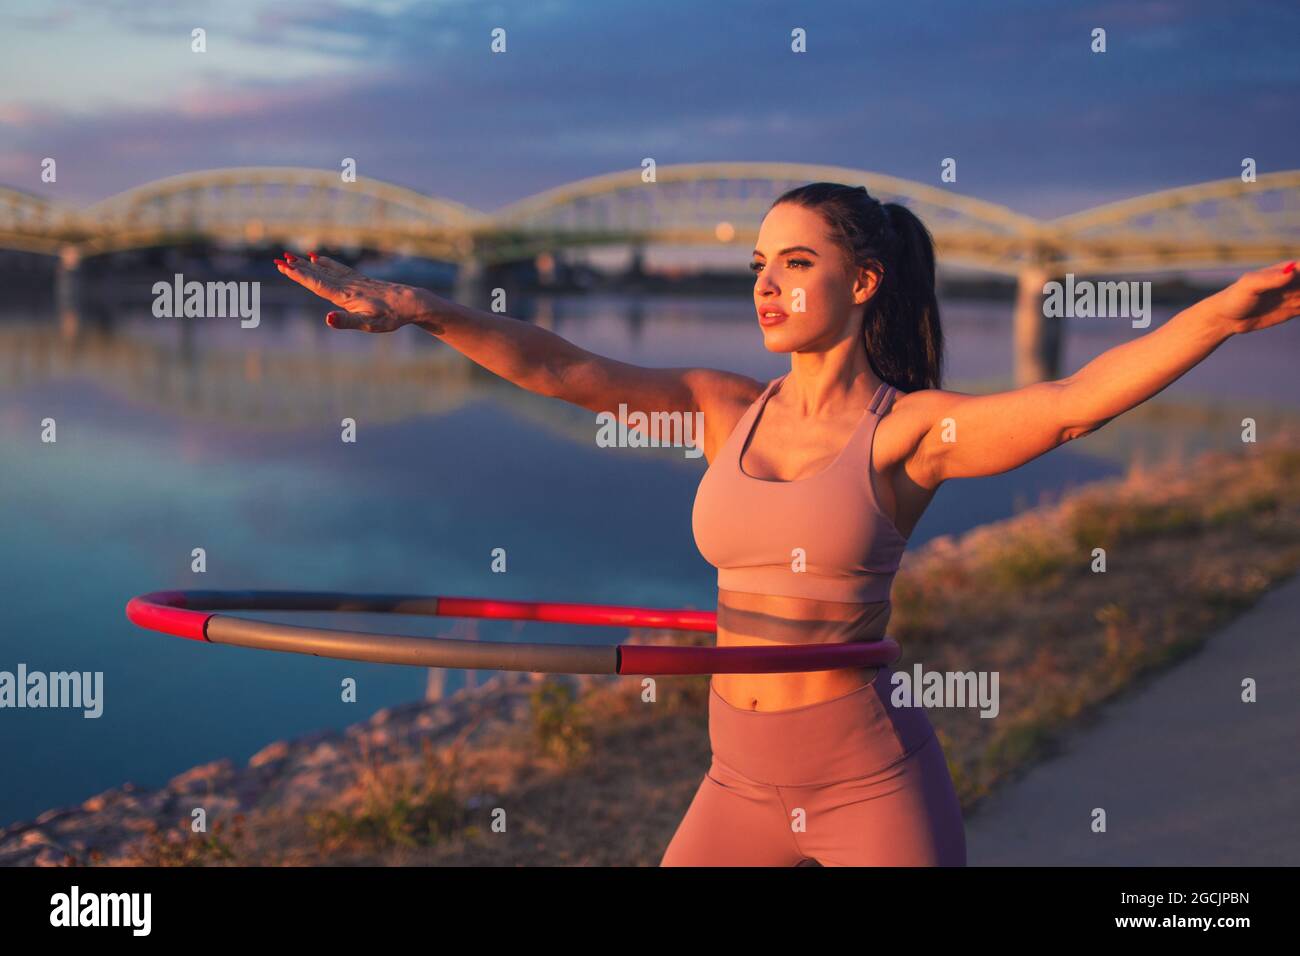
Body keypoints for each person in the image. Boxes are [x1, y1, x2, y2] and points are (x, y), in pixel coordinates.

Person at [274, 182, 1298, 866]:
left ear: (861, 284)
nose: (765, 280)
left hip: (864, 781)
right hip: (737, 775)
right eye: (761, 260)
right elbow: (560, 369)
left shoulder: (913, 430)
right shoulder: (726, 406)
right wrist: (425, 309)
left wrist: (1212, 316)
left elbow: (1074, 400)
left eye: (795, 262)